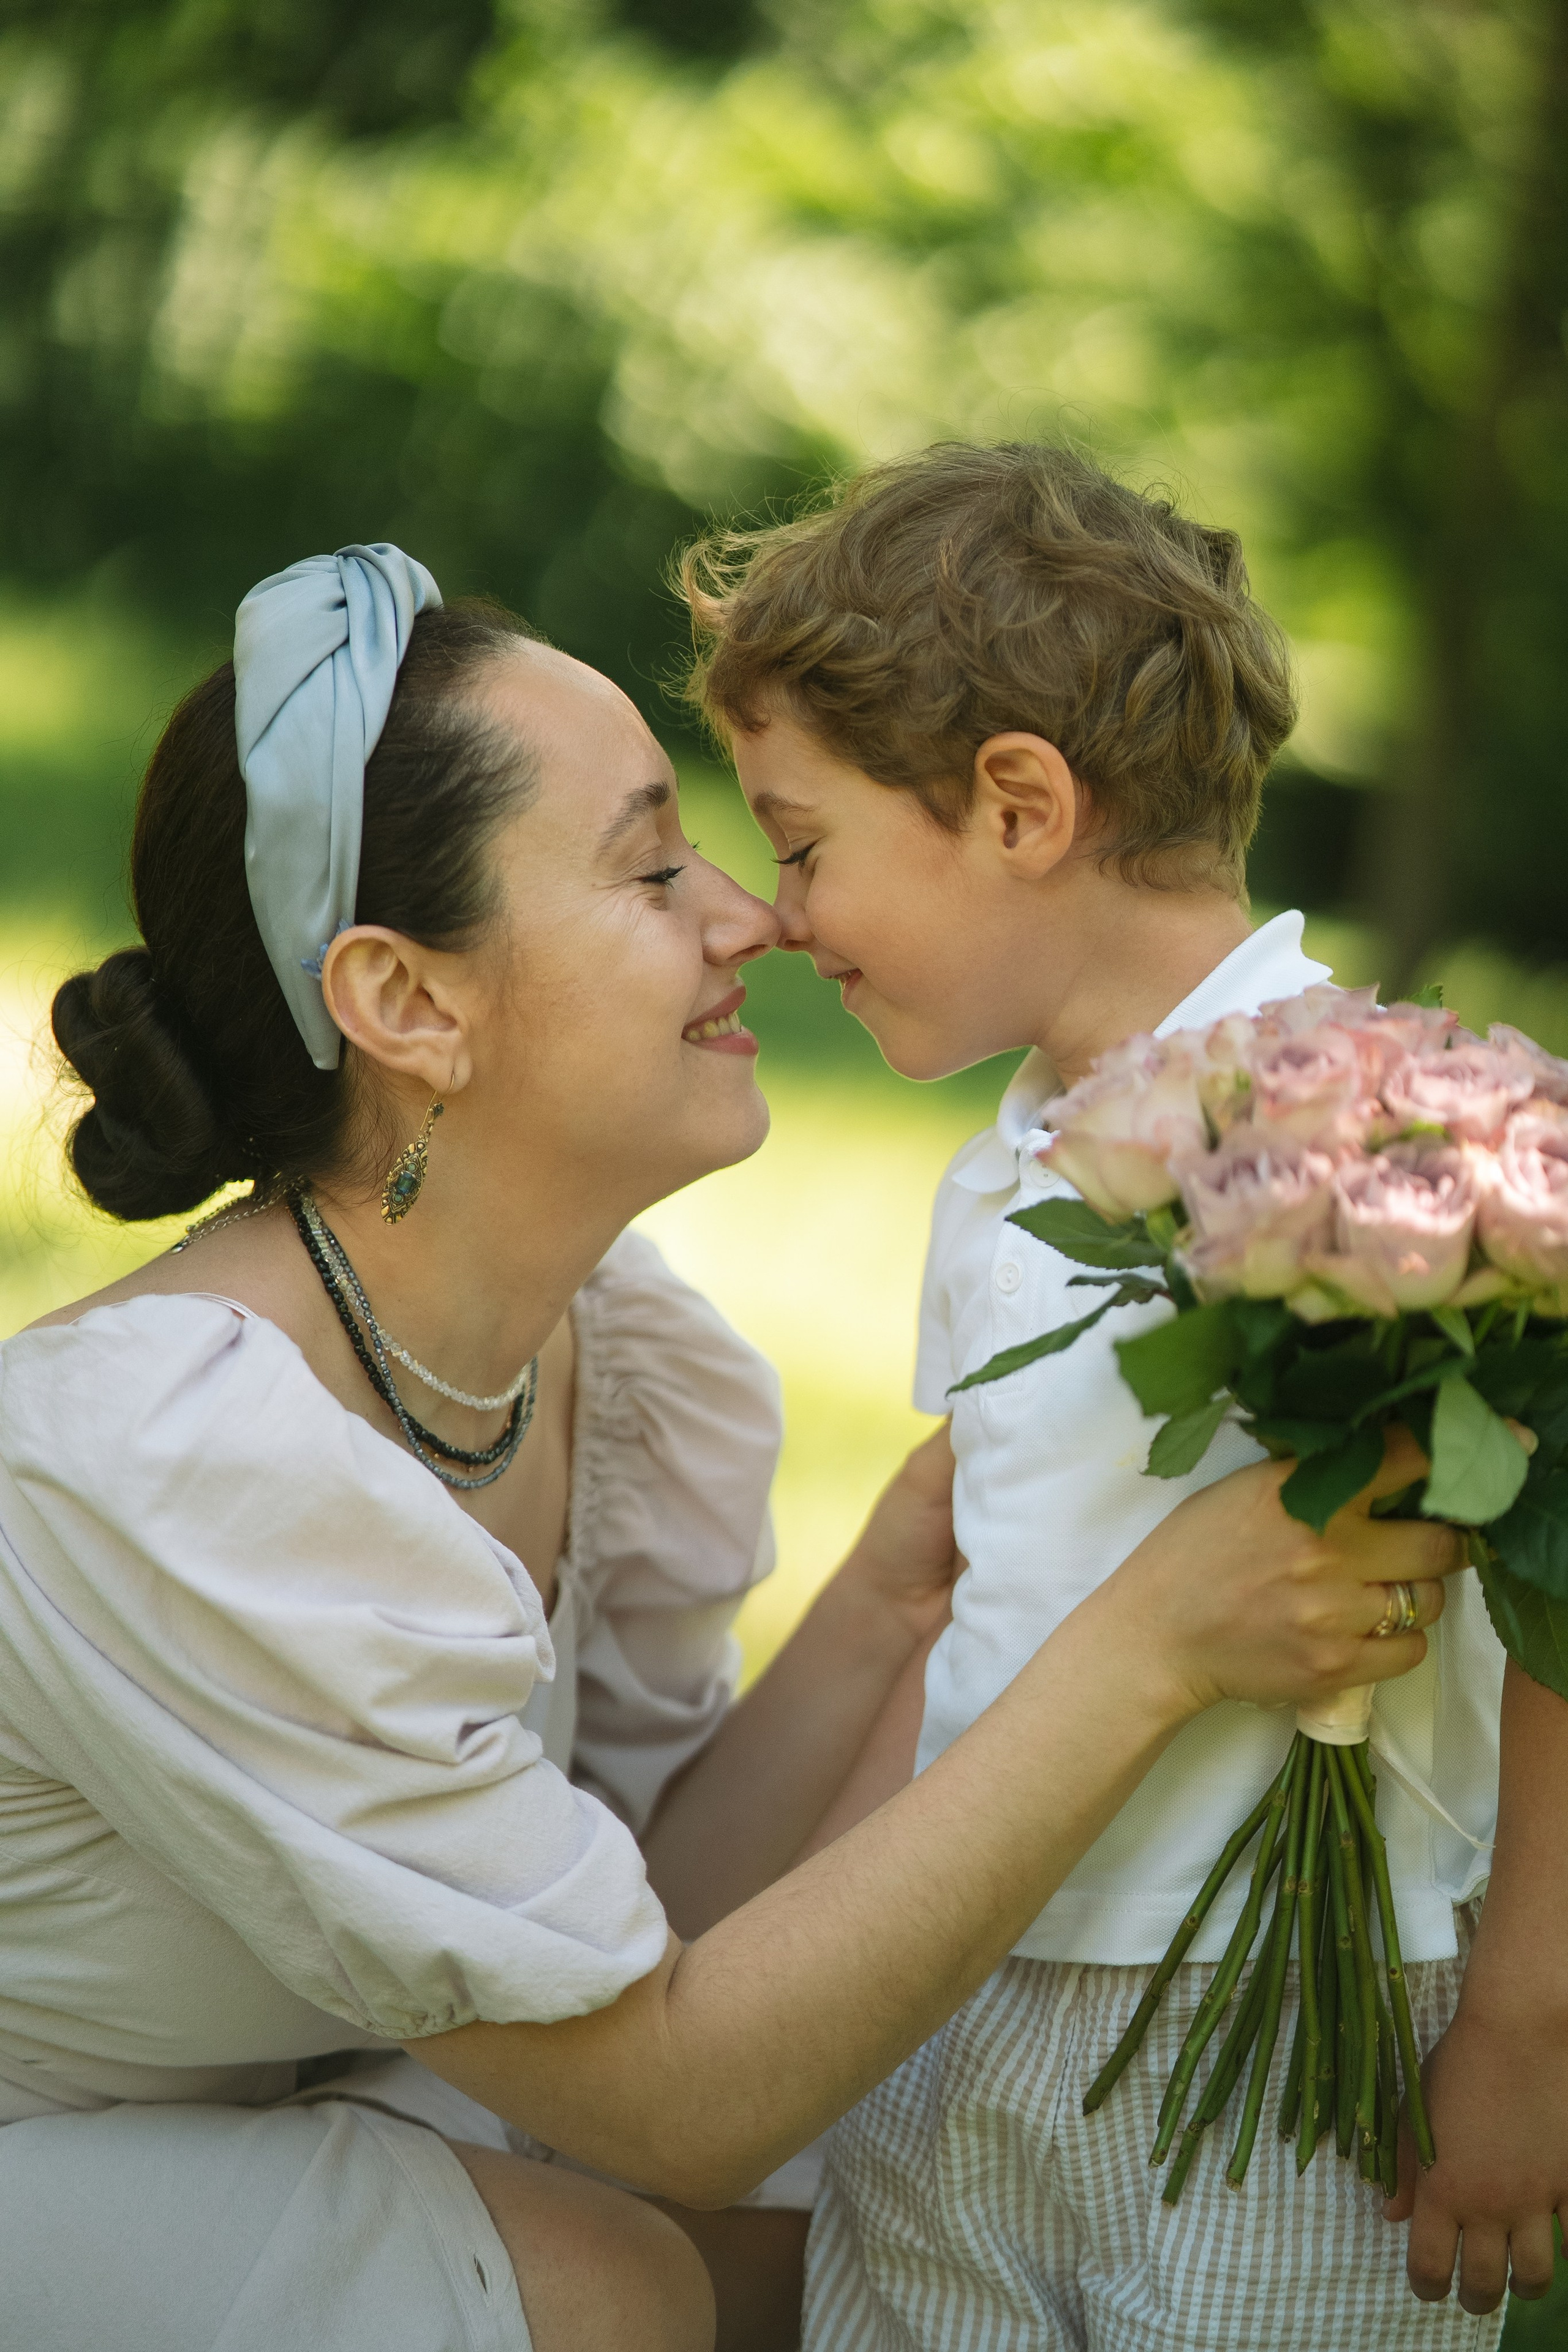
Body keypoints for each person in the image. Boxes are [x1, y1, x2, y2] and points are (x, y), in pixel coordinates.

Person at [0, 545, 1465, 2352]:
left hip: (302, 2096)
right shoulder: (166, 1461)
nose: (748, 917)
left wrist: (886, 1602)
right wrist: (1151, 1646)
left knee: (791, 2232)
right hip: (44, 2161)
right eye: (648, 864)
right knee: (615, 2280)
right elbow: (681, 2089)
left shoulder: (604, 1346)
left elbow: (643, 1936)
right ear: (408, 1002)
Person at [682, 442, 1568, 2350]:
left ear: (1017, 804)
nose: (779, 911)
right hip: (963, 2003)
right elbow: (970, 1618)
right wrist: (787, 1988)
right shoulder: (1003, 1176)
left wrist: (1523, 2018)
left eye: (807, 841)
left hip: (1302, 2045)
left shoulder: (1399, 1137)